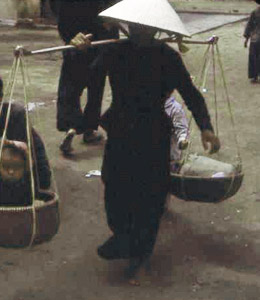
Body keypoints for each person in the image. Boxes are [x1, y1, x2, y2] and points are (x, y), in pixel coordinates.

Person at [75, 0, 221, 284]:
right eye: (135, 26)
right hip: (120, 128)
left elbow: (190, 93)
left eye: (146, 27)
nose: (140, 31)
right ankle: (123, 236)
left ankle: (140, 258)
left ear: (156, 30)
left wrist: (206, 127)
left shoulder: (167, 57)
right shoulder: (114, 50)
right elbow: (88, 77)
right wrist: (80, 52)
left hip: (153, 132)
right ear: (129, 26)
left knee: (150, 196)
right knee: (113, 184)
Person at [53, 0, 120, 155]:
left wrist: (68, 37)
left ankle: (71, 126)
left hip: (78, 39)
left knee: (70, 87)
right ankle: (89, 130)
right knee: (95, 87)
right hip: (101, 39)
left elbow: (61, 13)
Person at [244, 0, 260, 83]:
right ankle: (255, 76)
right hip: (256, 38)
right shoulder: (255, 12)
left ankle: (255, 76)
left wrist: (246, 38)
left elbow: (249, 25)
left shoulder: (255, 12)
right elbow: (250, 25)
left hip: (255, 38)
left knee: (254, 58)